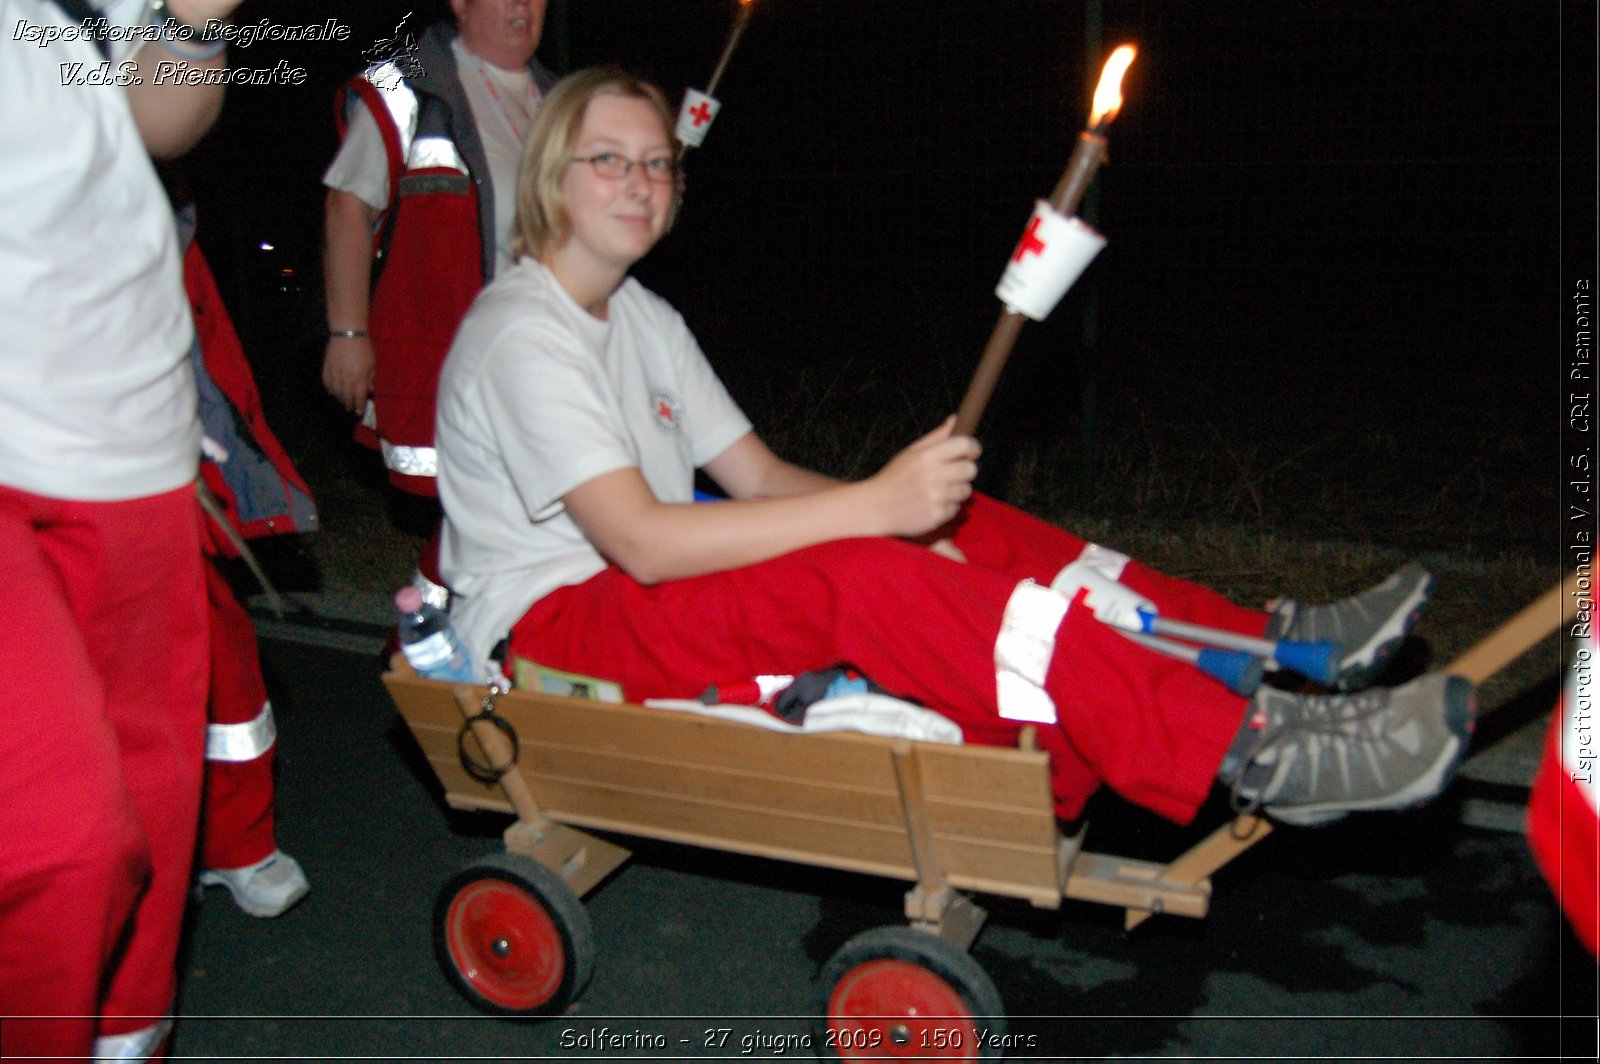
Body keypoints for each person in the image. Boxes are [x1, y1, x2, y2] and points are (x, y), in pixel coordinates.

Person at [434, 67, 1475, 835]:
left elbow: (754, 477)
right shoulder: (523, 332)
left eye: (658, 162)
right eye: (607, 159)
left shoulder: (643, 316)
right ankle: (1254, 752)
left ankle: (1272, 643)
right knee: (861, 571)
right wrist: (872, 515)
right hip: (551, 626)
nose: (640, 181)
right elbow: (646, 545)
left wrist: (902, 502)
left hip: (633, 586)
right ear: (550, 176)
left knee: (960, 519)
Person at [0, 0, 247, 1059]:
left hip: (128, 414)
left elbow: (154, 119)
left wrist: (194, 18)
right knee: (66, 843)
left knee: (139, 862)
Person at [321, 0, 555, 608]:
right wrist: (347, 335)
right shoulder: (410, 87)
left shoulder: (562, 102)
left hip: (548, 360)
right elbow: (348, 205)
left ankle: (455, 648)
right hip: (453, 361)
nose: (524, 6)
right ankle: (433, 647)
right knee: (491, 517)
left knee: (524, 523)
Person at [177, 207, 316, 919]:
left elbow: (207, 345)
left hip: (163, 471)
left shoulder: (162, 207)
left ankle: (237, 846)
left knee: (223, 658)